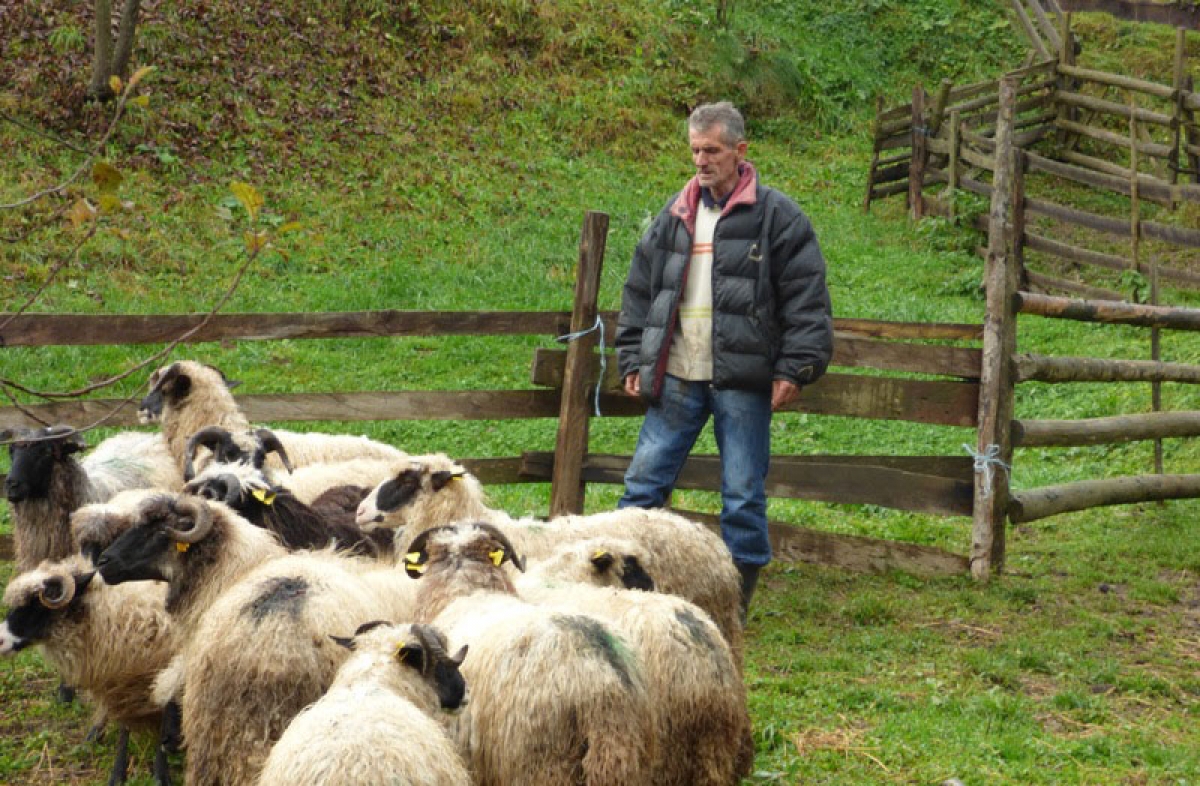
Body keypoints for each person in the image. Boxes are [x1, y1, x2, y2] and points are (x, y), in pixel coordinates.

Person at [615, 101, 833, 620]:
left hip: (743, 382)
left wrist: (794, 368)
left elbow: (807, 299)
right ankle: (622, 594)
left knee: (741, 497)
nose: (701, 160)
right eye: (694, 150)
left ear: (740, 150)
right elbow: (639, 293)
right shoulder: (675, 214)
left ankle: (734, 608)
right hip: (677, 378)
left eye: (711, 150)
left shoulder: (779, 217)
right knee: (642, 487)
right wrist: (633, 358)